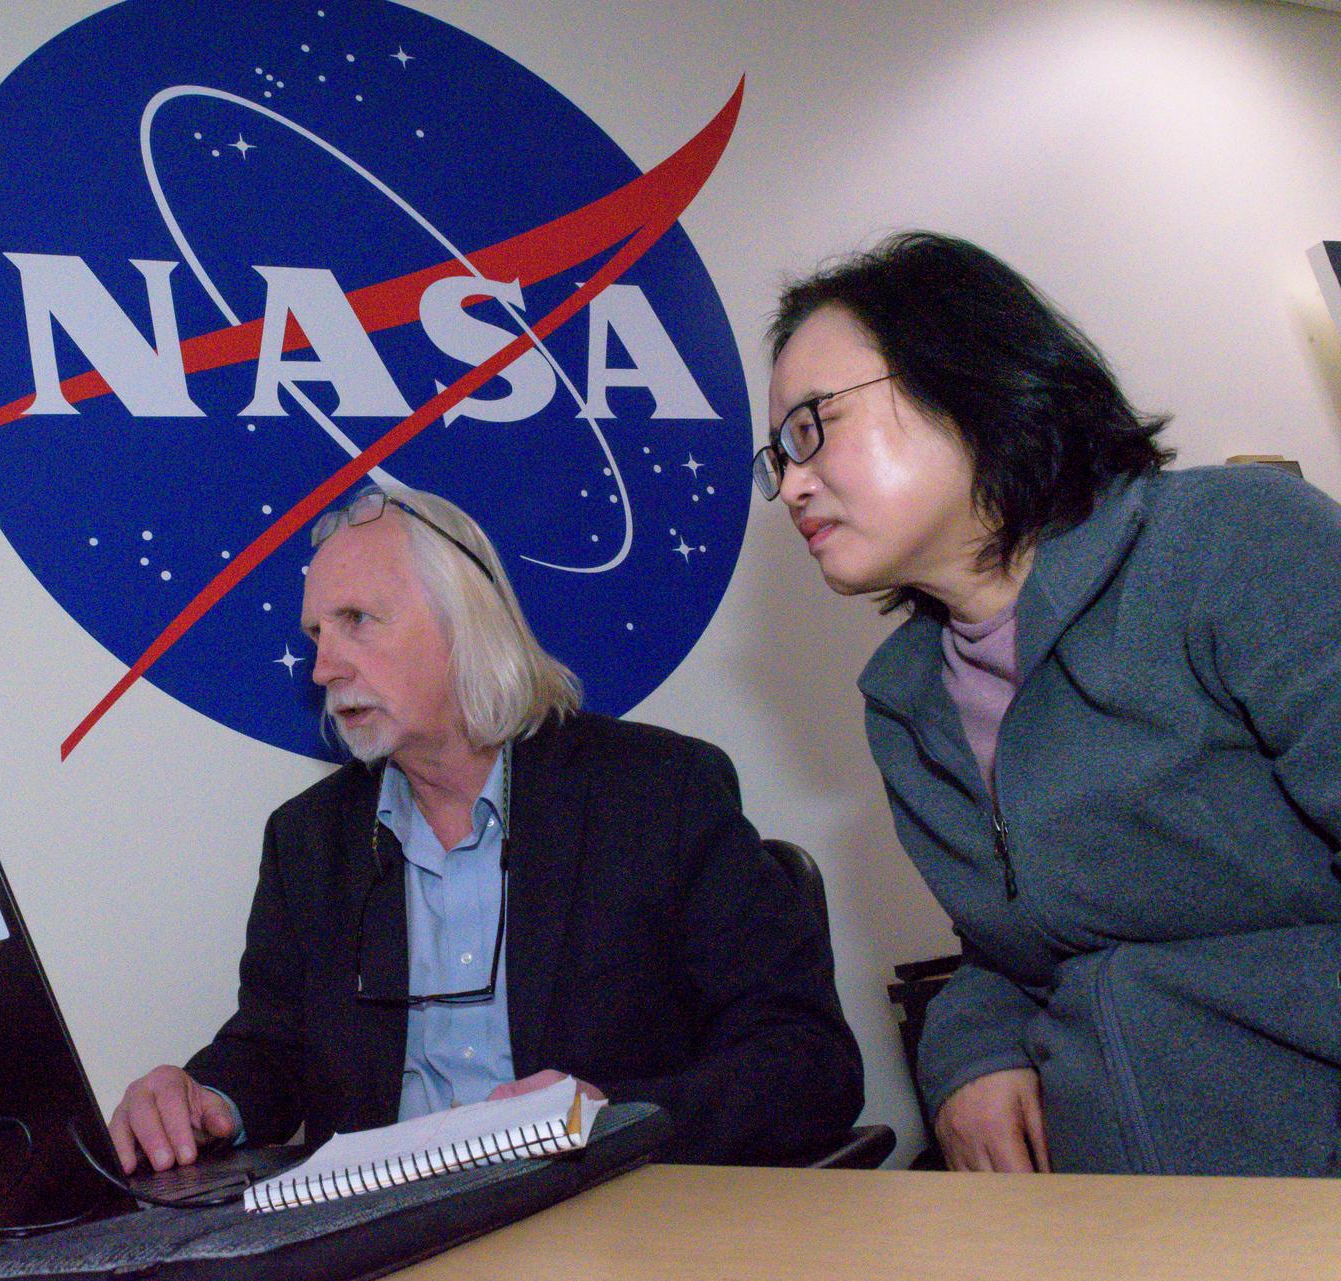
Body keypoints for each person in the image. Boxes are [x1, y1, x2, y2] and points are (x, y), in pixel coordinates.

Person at [758, 231, 1341, 1176]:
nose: (790, 482)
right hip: (1113, 1219)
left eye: (812, 425)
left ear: (970, 377)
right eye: (776, 454)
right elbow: (1033, 950)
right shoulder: (907, 698)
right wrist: (967, 1055)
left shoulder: (1235, 545)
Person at [108, 485, 863, 1171]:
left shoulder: (659, 793)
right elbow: (269, 1050)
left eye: (356, 622)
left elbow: (808, 1063)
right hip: (389, 1245)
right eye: (315, 634)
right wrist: (204, 1097)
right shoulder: (306, 841)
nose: (322, 668)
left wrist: (615, 1120)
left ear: (464, 621)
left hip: (609, 1226)